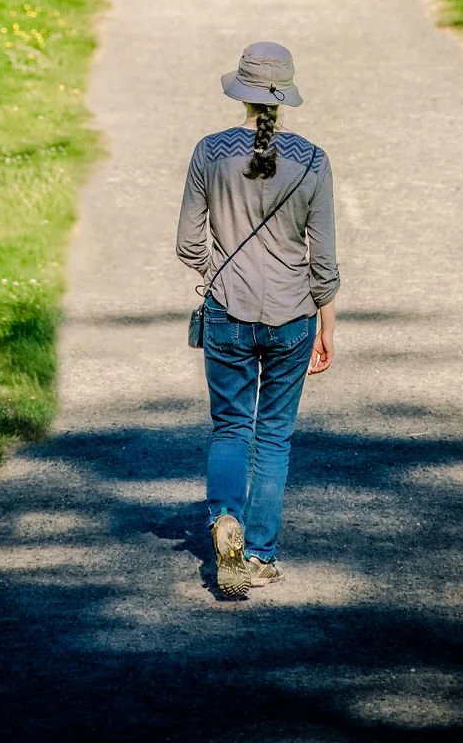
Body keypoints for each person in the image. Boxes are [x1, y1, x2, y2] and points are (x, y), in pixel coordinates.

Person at [176, 40, 340, 596]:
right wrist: (328, 325)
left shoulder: (209, 152)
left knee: (229, 427)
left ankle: (227, 519)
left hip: (227, 307)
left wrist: (217, 270)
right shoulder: (314, 161)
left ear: (241, 94)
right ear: (285, 96)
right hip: (294, 316)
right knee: (273, 436)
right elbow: (323, 260)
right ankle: (262, 555)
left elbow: (187, 243)